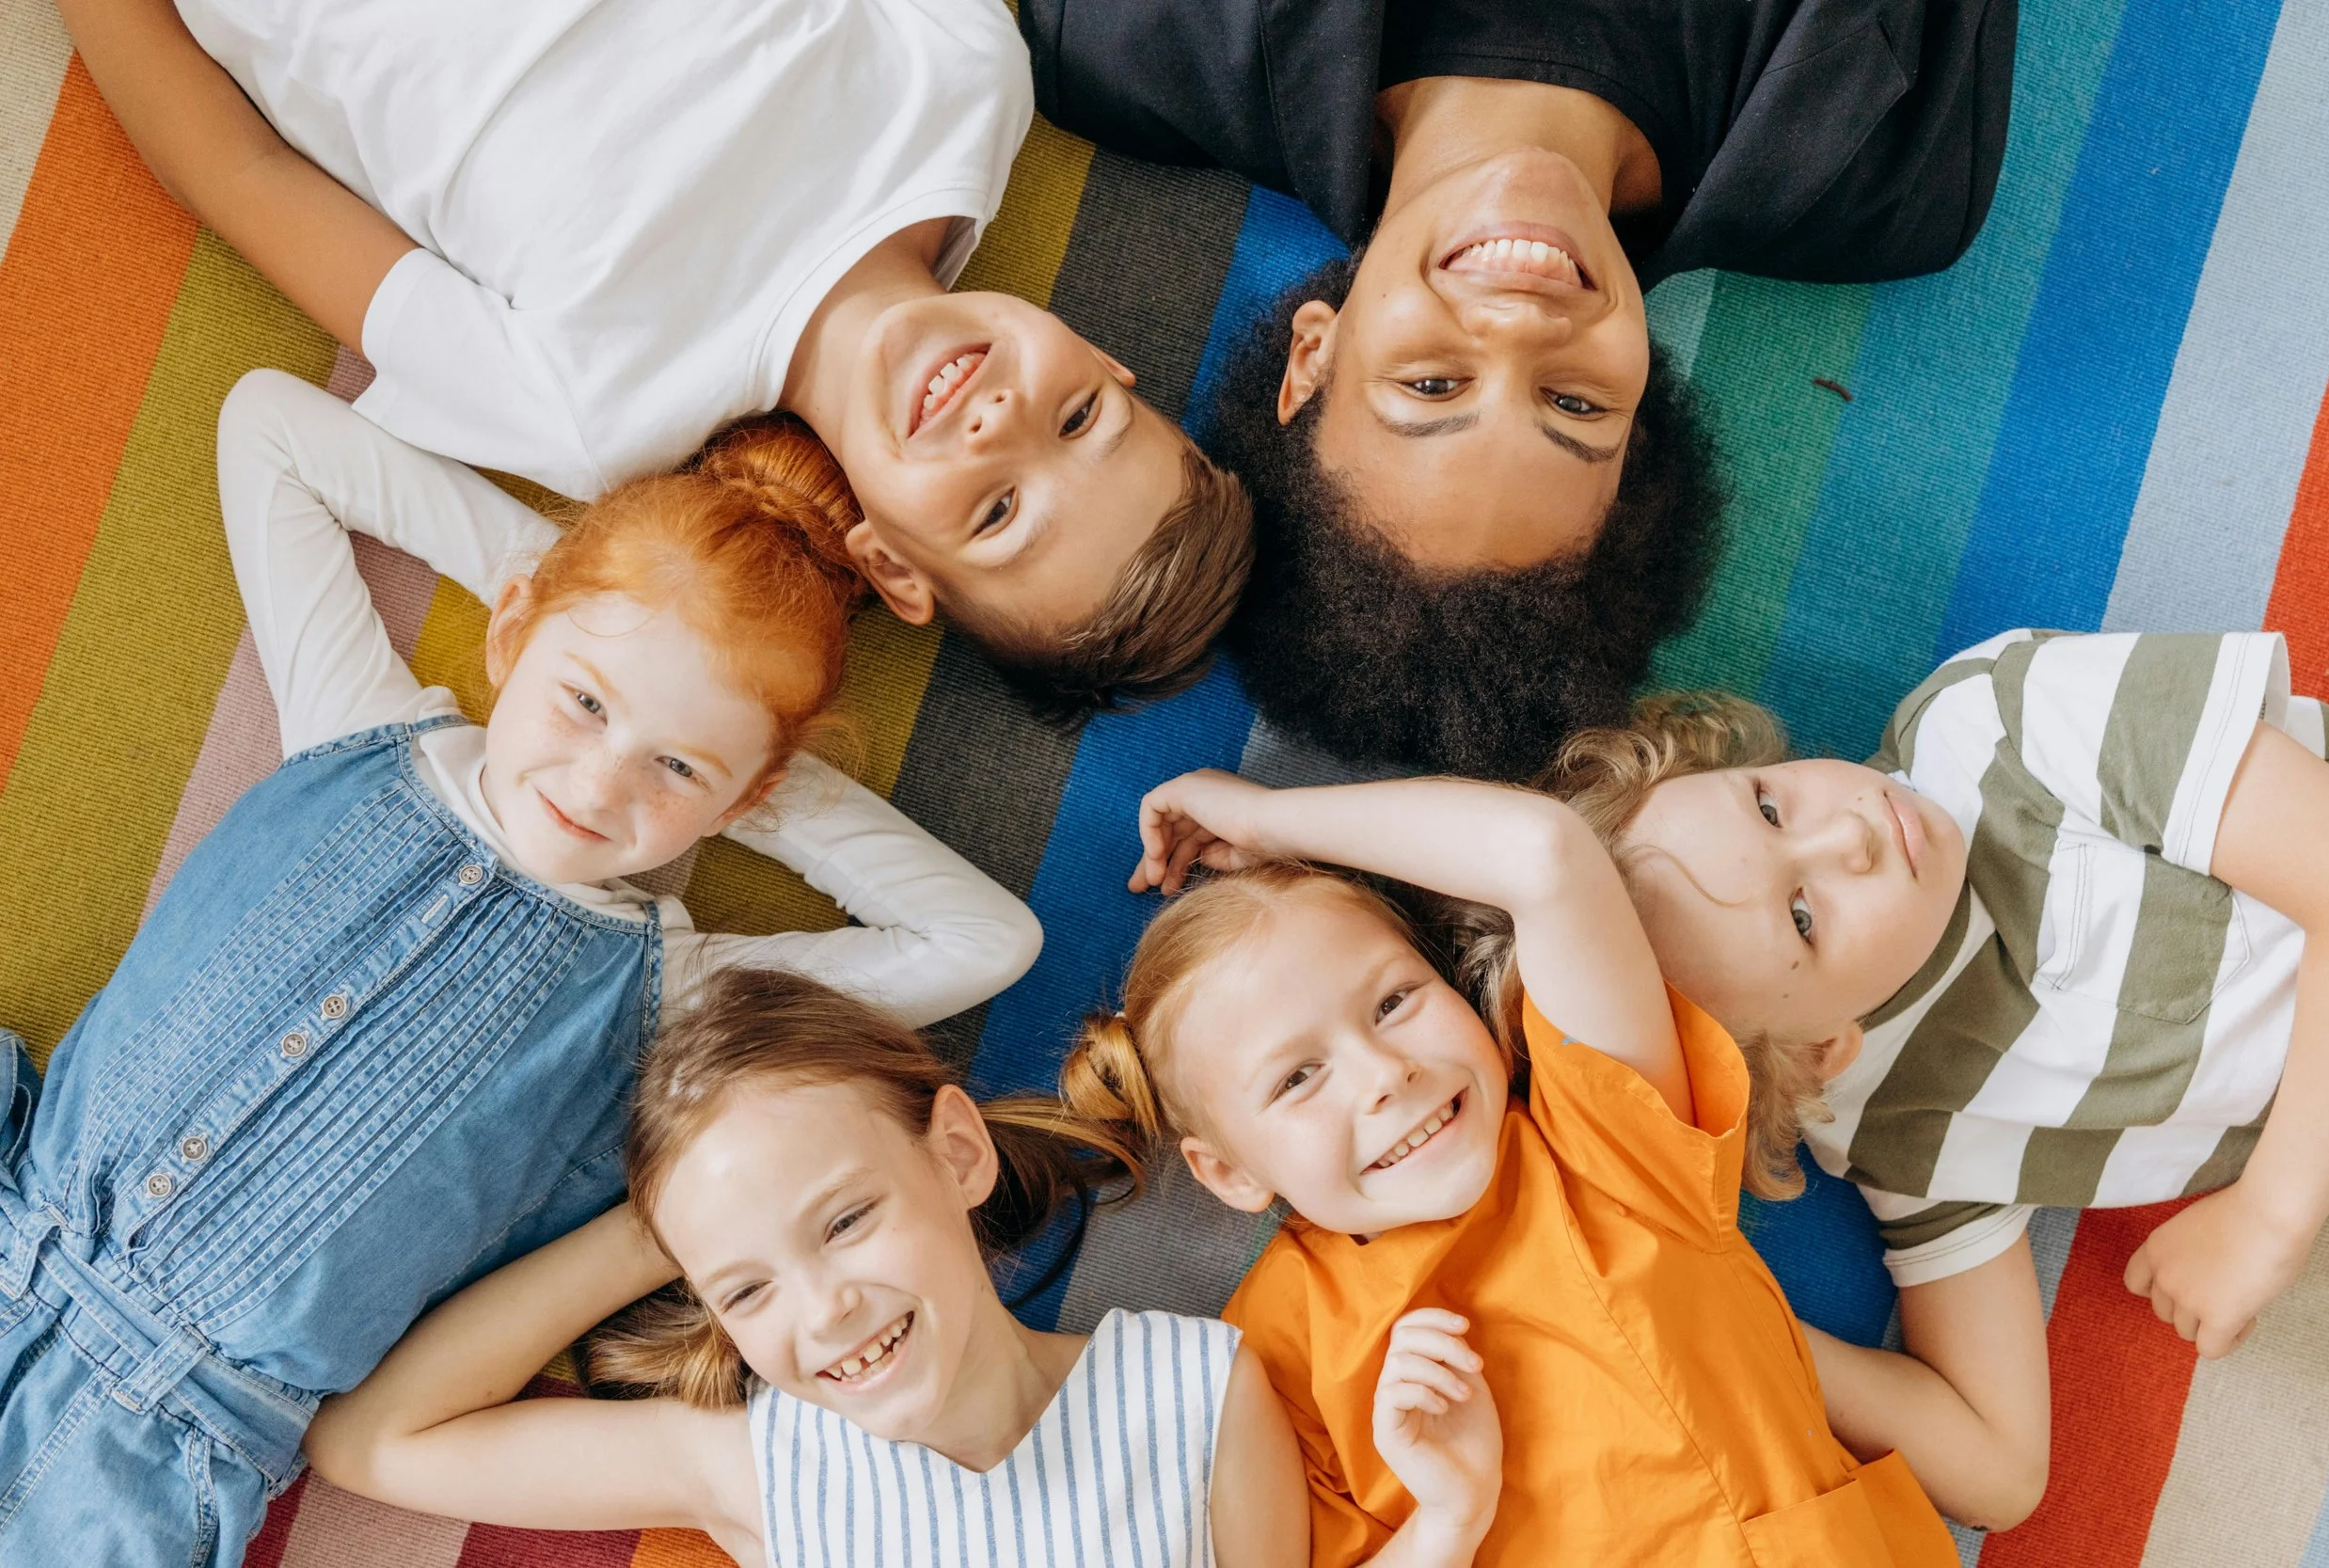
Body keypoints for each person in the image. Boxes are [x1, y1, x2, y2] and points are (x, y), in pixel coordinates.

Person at [0, 370, 1043, 1567]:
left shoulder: (673, 992)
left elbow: (984, 938)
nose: (601, 785)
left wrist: (744, 754)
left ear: (749, 798)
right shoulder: (356, 724)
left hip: (157, 1445)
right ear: (511, 632)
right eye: (583, 700)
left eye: (678, 772)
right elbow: (269, 428)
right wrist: (589, 601)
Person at [55, 0, 1254, 716]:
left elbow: (241, 176)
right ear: (1103, 354)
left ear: (890, 564)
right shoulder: (968, 83)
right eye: (1081, 418)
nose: (1003, 423)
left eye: (996, 511)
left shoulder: (597, 421)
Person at [1024, 0, 2017, 775]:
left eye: (1429, 383)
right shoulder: (1887, 176)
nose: (1520, 319)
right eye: (1574, 407)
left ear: (1311, 359)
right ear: (1640, 445)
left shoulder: (1124, 41)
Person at [1523, 629, 2329, 1529]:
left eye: (1768, 805)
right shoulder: (1889, 1119)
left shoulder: (2000, 720)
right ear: (1815, 1054)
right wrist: (1720, 1317)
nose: (1850, 830)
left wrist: (2271, 1213)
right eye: (1802, 916)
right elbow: (1997, 1468)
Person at [1061, 769, 1963, 1562]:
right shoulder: (1272, 1363)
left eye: (1394, 1001)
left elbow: (1547, 852)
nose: (1386, 1075)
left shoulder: (1603, 1143)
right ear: (1228, 1172)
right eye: (1298, 1077)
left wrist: (1271, 818)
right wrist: (1448, 1520)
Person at [302, 966, 1485, 1567]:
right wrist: (662, 1228)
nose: (823, 1310)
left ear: (957, 1152)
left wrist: (1448, 1511)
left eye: (842, 1219)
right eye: (746, 1288)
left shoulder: (1196, 1392)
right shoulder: (764, 1465)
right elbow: (374, 1438)